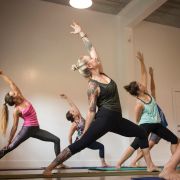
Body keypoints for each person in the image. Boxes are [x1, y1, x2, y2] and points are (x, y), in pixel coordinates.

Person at [43, 22, 158, 175]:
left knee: (142, 133)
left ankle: (150, 165)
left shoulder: (102, 73)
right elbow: (91, 111)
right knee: (82, 143)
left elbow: (91, 48)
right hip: (104, 118)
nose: (94, 57)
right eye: (90, 58)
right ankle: (49, 168)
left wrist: (81, 33)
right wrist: (85, 130)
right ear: (90, 66)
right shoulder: (92, 85)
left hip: (116, 118)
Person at [116, 52, 178, 168]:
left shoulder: (148, 94)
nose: (142, 84)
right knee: (135, 145)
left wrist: (141, 62)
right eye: (140, 85)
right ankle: (119, 163)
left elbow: (144, 74)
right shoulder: (139, 103)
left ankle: (174, 162)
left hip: (157, 125)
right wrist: (142, 125)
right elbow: (137, 118)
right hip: (145, 125)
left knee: (174, 139)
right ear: (138, 90)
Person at [0, 70, 65, 167]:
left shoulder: (20, 96)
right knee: (9, 148)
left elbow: (11, 83)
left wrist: (2, 74)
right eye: (13, 93)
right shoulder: (16, 110)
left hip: (35, 129)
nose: (14, 91)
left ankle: (59, 164)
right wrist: (10, 140)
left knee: (56, 140)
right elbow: (14, 127)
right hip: (26, 130)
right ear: (13, 99)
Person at [130, 67, 168, 167]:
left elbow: (153, 88)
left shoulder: (151, 99)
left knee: (149, 144)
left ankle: (134, 161)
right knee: (142, 144)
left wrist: (152, 76)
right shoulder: (142, 101)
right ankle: (134, 161)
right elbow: (138, 116)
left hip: (160, 124)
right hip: (149, 124)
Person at [60, 93, 108, 167]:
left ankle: (103, 163)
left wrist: (67, 97)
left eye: (73, 110)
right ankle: (60, 163)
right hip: (80, 140)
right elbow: (69, 136)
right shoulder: (74, 125)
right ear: (73, 115)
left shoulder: (79, 116)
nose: (73, 110)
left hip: (88, 138)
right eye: (72, 111)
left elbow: (72, 105)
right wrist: (71, 146)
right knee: (70, 152)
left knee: (101, 146)